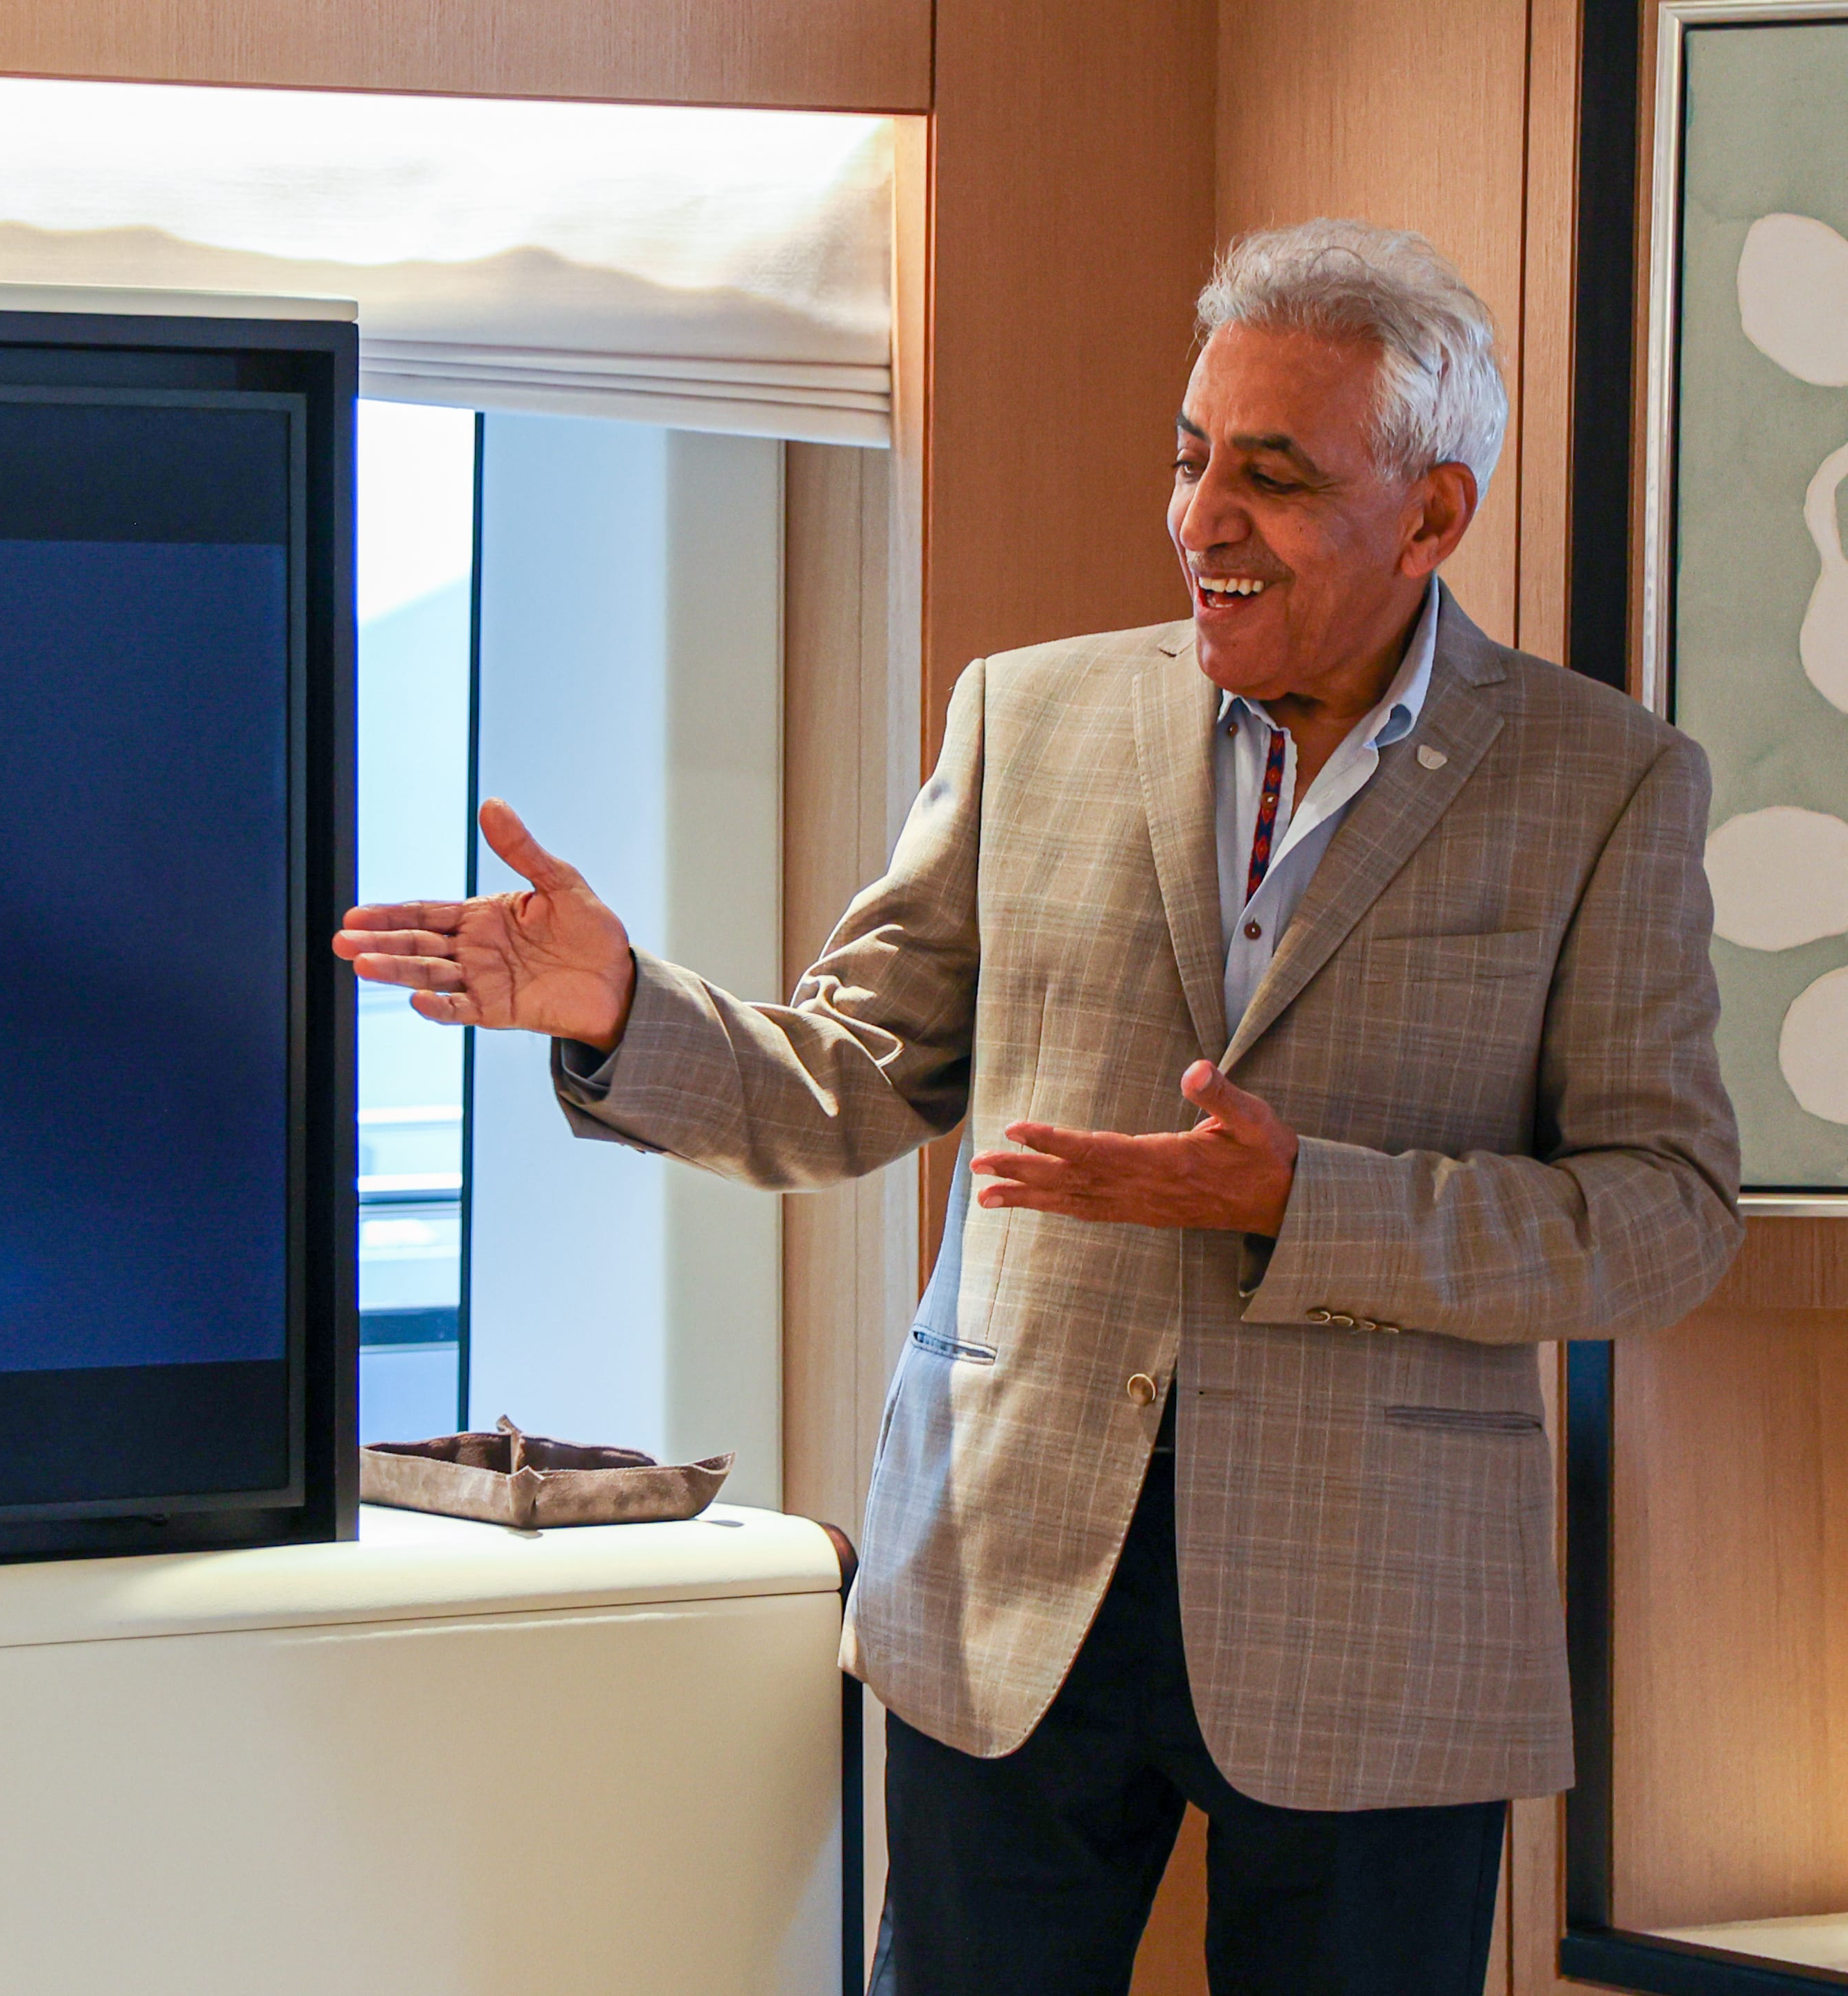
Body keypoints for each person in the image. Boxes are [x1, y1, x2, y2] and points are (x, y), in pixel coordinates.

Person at [332, 218, 1742, 1996]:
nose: (1200, 519)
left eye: (1272, 476)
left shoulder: (1602, 780)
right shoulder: (1029, 711)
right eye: (1188, 455)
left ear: (1431, 515)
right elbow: (848, 1078)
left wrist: (1302, 1202)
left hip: (1376, 1623)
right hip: (1002, 1579)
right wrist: (617, 1006)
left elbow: (1663, 1214)